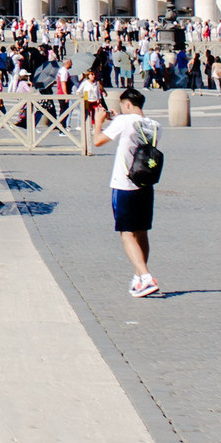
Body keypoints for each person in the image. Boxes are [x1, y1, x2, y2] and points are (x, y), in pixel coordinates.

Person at [93, 86, 159, 297]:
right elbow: (133, 133)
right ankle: (139, 277)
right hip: (145, 185)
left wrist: (97, 123)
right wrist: (117, 118)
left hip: (124, 184)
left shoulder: (124, 121)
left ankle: (146, 276)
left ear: (127, 105)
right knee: (142, 232)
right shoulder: (154, 125)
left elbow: (98, 141)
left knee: (126, 233)